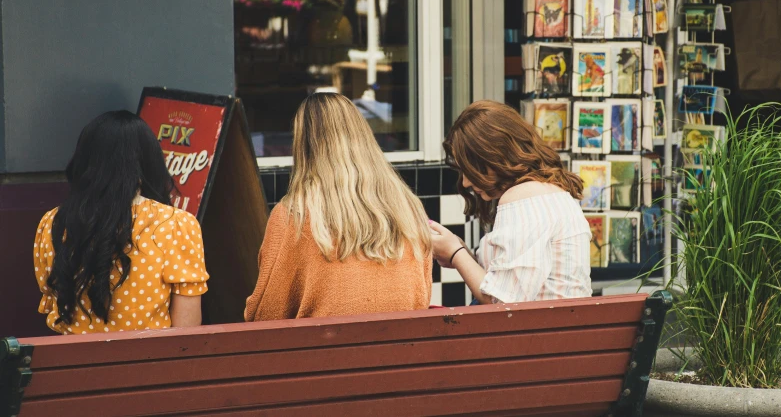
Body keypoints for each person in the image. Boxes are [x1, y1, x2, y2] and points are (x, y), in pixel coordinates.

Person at [244, 93, 432, 320]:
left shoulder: (293, 216)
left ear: (303, 147)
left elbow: (267, 315)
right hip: (404, 352)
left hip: (321, 352)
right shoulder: (409, 210)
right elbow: (422, 298)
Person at [34, 111, 208, 334]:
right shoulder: (176, 225)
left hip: (72, 367)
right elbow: (187, 330)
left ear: (85, 161)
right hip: (151, 366)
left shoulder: (52, 223)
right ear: (148, 162)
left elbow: (51, 301)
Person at [429, 101, 592, 304]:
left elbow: (502, 303)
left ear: (495, 157)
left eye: (470, 169)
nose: (466, 182)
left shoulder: (524, 197)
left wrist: (455, 253)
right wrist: (464, 256)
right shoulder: (548, 192)